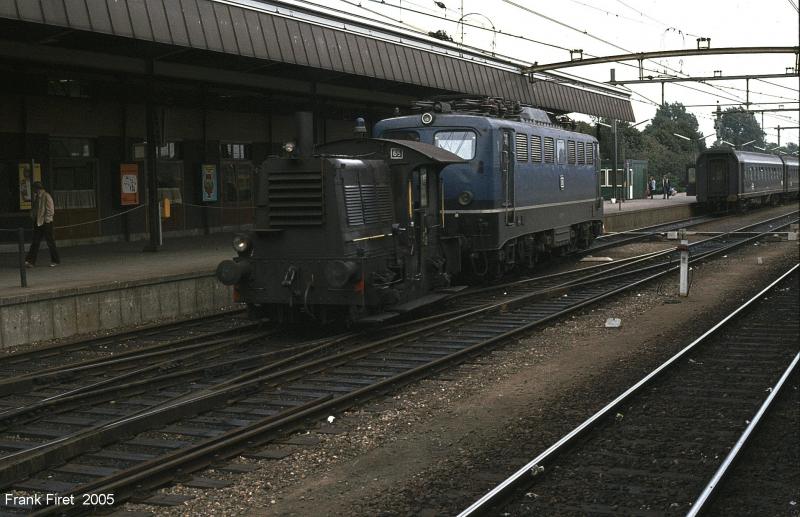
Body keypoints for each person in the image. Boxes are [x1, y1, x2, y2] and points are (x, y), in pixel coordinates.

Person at [25, 182, 60, 267]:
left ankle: (55, 260)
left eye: (34, 189)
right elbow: (36, 209)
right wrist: (32, 215)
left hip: (46, 223)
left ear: (37, 189)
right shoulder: (38, 197)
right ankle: (30, 261)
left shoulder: (46, 196)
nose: (33, 191)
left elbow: (50, 210)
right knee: (35, 242)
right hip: (38, 222)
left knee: (50, 242)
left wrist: (46, 220)